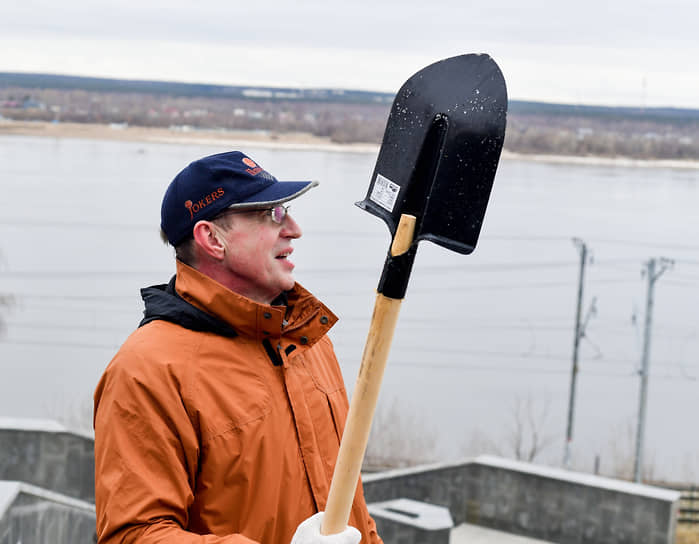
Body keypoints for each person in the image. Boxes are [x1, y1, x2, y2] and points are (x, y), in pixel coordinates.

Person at [93, 151, 382, 544]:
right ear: (212, 238)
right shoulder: (148, 369)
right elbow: (133, 535)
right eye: (272, 215)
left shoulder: (307, 340)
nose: (294, 229)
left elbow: (353, 506)